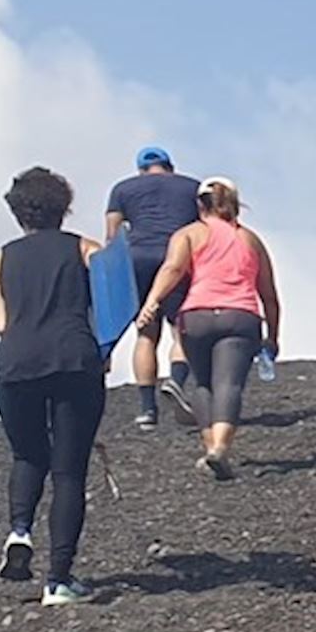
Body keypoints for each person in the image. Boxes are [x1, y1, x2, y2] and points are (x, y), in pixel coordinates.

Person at [0, 165, 107, 605]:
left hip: (15, 364)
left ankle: (19, 532)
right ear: (64, 208)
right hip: (74, 360)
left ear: (18, 212)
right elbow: (114, 300)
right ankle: (58, 580)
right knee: (69, 470)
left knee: (28, 453)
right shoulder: (86, 250)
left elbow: (1, 323)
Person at [135, 177, 282, 482]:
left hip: (197, 315)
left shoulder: (189, 234)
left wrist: (153, 300)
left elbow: (173, 268)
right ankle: (220, 450)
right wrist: (273, 336)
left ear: (199, 205)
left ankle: (209, 447)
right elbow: (269, 293)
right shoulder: (251, 240)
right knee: (229, 384)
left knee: (203, 383)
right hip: (240, 315)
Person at [103, 145, 203, 429]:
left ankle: (147, 410)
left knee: (146, 333)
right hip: (175, 257)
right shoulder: (191, 187)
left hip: (137, 259)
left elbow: (112, 235)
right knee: (179, 329)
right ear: (170, 166)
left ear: (141, 170)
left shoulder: (122, 189)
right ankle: (177, 381)